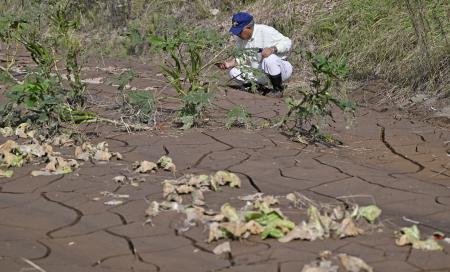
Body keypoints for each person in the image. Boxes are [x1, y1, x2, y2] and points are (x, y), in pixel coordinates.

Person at [217, 12, 293, 98]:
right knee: (233, 72)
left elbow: (287, 42)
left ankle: (278, 89)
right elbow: (244, 57)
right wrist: (228, 64)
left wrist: (273, 49)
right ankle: (259, 89)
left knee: (269, 58)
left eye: (239, 31)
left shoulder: (265, 30)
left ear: (248, 28)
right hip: (259, 72)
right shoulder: (240, 39)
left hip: (281, 70)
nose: (237, 34)